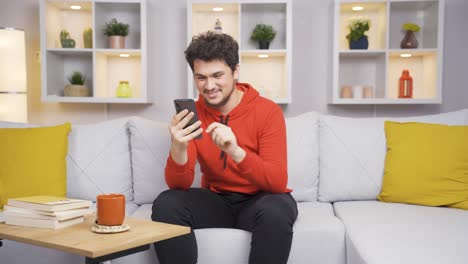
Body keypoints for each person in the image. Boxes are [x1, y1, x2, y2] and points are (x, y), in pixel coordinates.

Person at [151, 31, 298, 264]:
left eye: (217, 75)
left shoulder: (268, 112)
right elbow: (179, 185)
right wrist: (178, 146)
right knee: (167, 203)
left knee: (276, 209)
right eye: (201, 78)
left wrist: (236, 151)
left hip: (260, 201)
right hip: (217, 201)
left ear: (236, 71)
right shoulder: (193, 114)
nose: (209, 86)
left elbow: (277, 182)